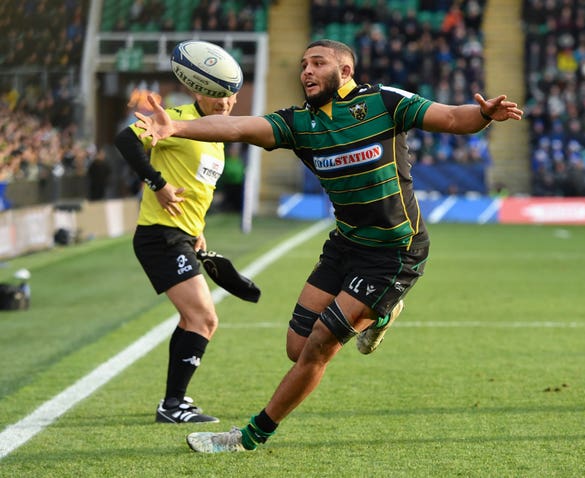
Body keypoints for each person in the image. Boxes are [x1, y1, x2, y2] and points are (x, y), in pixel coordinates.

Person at [134, 39, 523, 450]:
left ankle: (247, 437)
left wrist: (482, 114)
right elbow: (238, 126)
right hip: (345, 244)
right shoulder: (299, 123)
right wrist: (175, 126)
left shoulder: (383, 102)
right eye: (303, 64)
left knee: (319, 345)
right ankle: (381, 313)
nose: (306, 70)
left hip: (394, 251)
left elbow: (449, 117)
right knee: (296, 347)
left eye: (317, 63)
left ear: (346, 71)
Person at [115, 90, 238, 423]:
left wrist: (197, 228)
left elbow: (197, 186)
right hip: (160, 236)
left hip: (182, 236)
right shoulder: (177, 116)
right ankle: (173, 405)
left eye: (230, 96)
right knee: (204, 319)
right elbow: (125, 140)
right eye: (215, 94)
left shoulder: (216, 135)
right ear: (198, 90)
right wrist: (157, 183)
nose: (224, 102)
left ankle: (173, 403)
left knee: (191, 320)